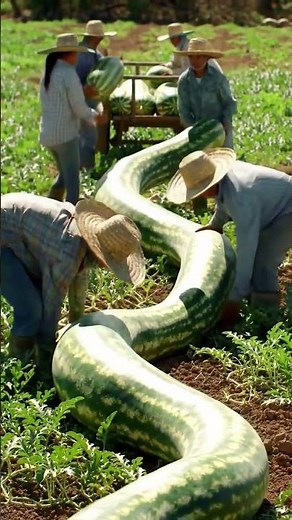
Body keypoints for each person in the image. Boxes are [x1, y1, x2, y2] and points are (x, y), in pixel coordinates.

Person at [1, 192, 146, 381]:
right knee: (31, 310)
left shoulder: (83, 241)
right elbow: (52, 304)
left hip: (16, 234)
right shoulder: (67, 252)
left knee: (36, 302)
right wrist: (48, 357)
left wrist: (76, 320)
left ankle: (28, 358)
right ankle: (17, 371)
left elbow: (79, 280)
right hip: (4, 236)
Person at [166, 148, 292, 324]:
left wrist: (234, 297)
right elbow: (223, 201)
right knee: (257, 259)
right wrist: (216, 223)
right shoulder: (225, 181)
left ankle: (267, 316)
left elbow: (247, 249)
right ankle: (254, 304)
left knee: (264, 259)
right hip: (275, 207)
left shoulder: (241, 196)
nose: (200, 195)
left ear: (210, 184)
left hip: (288, 210)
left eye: (200, 190)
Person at [38, 33, 104, 205]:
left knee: (63, 176)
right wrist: (97, 117)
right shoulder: (68, 74)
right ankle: (69, 219)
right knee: (73, 184)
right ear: (71, 54)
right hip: (65, 137)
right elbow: (80, 108)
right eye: (76, 53)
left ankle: (49, 206)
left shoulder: (49, 71)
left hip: (48, 135)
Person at [175, 38, 237, 149]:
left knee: (223, 161)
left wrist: (225, 123)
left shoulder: (218, 78)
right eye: (191, 57)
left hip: (221, 130)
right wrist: (194, 130)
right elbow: (183, 110)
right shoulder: (184, 81)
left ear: (207, 58)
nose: (194, 61)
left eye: (198, 57)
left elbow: (229, 103)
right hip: (197, 133)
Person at [76, 20, 117, 170]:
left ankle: (86, 168)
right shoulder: (80, 54)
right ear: (95, 38)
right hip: (79, 101)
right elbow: (70, 81)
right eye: (100, 37)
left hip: (90, 101)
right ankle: (85, 169)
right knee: (86, 137)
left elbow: (104, 68)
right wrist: (83, 90)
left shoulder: (96, 54)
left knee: (89, 136)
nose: (101, 39)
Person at [157, 23, 223, 76]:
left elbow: (189, 69)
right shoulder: (179, 48)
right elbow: (175, 63)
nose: (171, 41)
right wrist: (166, 66)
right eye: (171, 39)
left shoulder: (188, 47)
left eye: (173, 39)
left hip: (210, 75)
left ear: (178, 38)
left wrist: (172, 73)